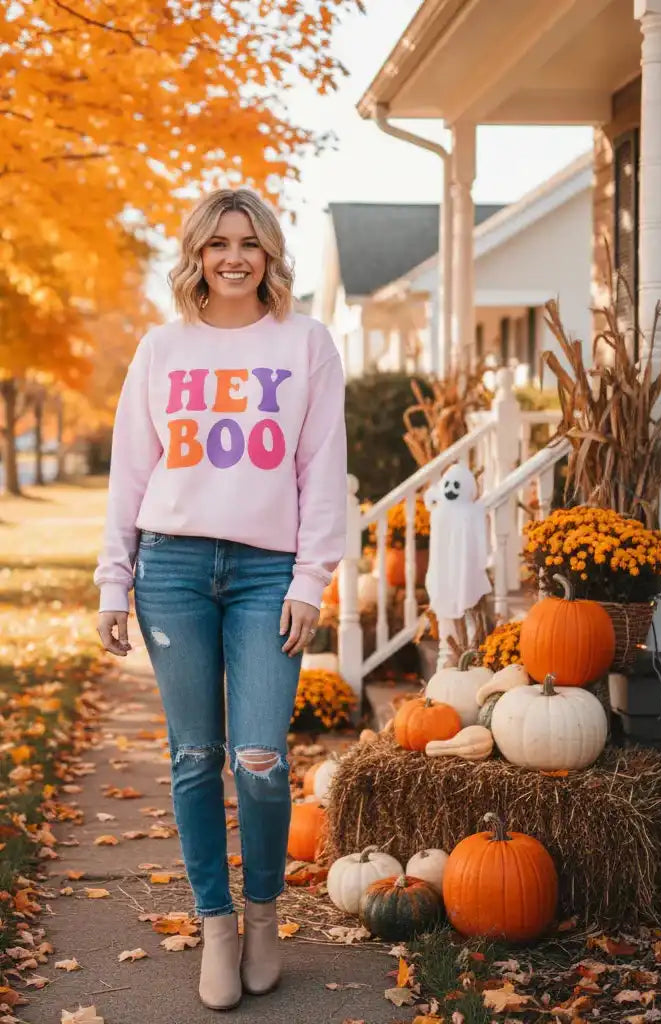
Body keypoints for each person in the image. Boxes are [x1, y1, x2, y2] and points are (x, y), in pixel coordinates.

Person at [94, 187, 347, 1011]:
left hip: (267, 575)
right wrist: (113, 581)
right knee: (195, 757)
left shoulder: (306, 343)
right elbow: (130, 472)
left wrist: (311, 580)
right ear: (195, 257)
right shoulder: (163, 348)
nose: (232, 257)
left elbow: (320, 472)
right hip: (169, 569)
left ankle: (264, 913)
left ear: (269, 255)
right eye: (216, 244)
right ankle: (215, 925)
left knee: (261, 759)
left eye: (248, 243)